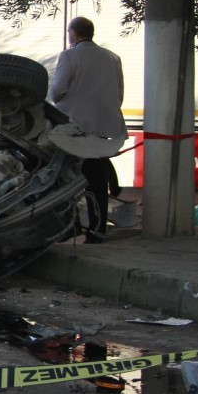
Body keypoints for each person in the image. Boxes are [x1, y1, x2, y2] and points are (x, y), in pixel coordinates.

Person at [49, 16, 126, 243]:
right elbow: (119, 94)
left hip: (75, 130)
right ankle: (97, 229)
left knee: (66, 180)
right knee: (98, 181)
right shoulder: (113, 58)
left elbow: (57, 91)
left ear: (74, 34)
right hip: (101, 130)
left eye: (69, 33)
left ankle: (71, 228)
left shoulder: (69, 56)